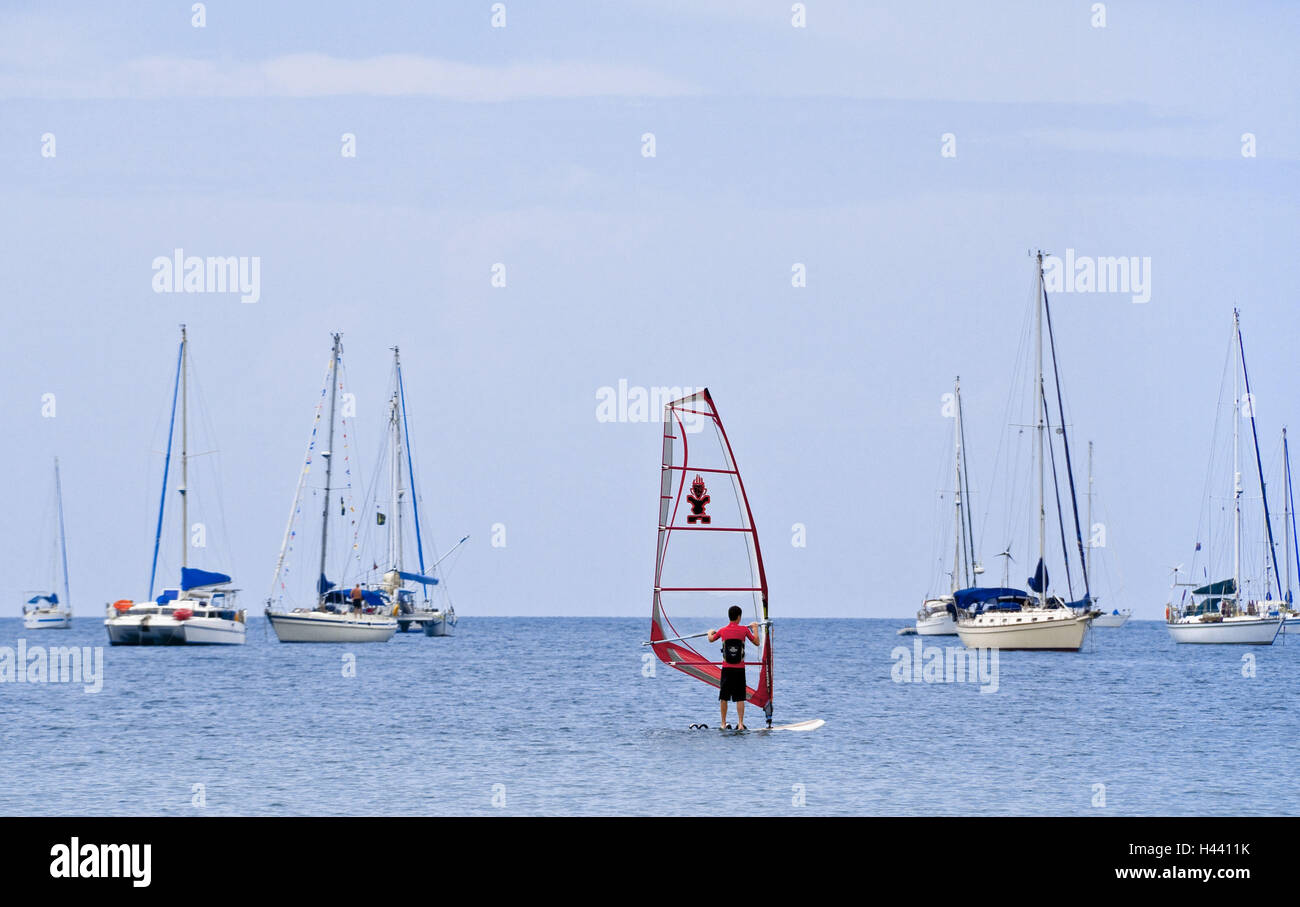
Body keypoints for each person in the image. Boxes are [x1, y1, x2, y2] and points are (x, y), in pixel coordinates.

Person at [707, 605, 760, 730]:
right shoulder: (744, 630)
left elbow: (711, 639)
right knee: (740, 697)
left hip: (726, 669)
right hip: (739, 669)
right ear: (739, 617)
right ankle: (740, 724)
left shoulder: (723, 630)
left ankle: (723, 723)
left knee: (724, 697)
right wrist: (755, 628)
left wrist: (710, 632)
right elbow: (757, 642)